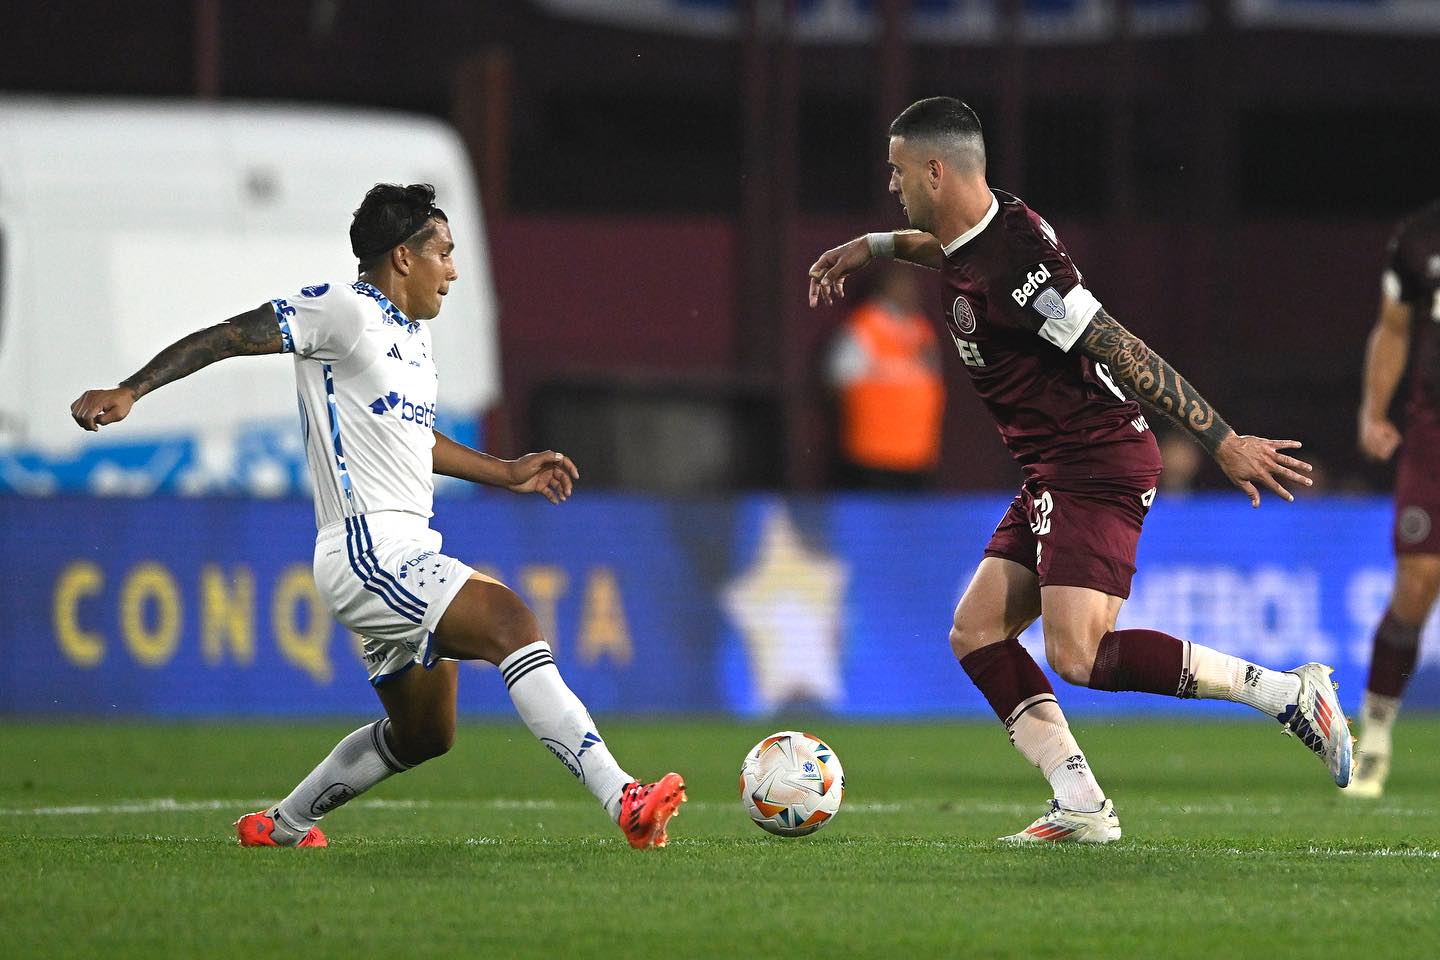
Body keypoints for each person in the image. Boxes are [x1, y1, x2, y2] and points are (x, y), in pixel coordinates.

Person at [69, 183, 686, 849]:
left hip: (402, 551)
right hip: (366, 551)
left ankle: (281, 825)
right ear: (402, 257)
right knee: (511, 622)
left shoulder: (413, 342)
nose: (453, 271)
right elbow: (229, 337)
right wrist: (132, 389)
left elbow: (414, 440)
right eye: (444, 253)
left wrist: (506, 472)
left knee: (425, 734)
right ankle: (624, 797)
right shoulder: (342, 310)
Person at [806, 98, 1350, 842]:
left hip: (1094, 460)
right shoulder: (978, 233)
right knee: (976, 633)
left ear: (936, 171)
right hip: (1054, 466)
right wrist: (871, 246)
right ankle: (1082, 805)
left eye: (898, 170)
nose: (891, 183)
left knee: (1078, 653)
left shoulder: (1022, 267)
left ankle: (1287, 695)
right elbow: (944, 251)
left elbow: (1120, 347)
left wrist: (1222, 441)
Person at [1351, 198, 1440, 798]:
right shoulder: (1419, 237)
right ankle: (1376, 735)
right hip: (1433, 433)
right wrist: (1374, 411)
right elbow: (1394, 327)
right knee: (1416, 584)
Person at [825, 262, 945, 490]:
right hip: (871, 457)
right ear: (883, 287)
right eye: (901, 284)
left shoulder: (921, 330)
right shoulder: (863, 327)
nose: (910, 291)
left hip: (917, 456)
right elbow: (835, 382)